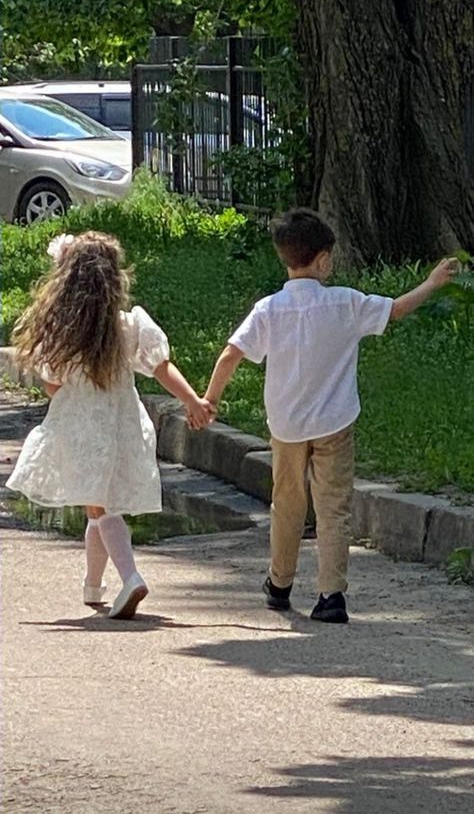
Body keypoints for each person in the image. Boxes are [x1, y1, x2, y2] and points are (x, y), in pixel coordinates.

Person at [204, 207, 458, 623]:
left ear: (285, 257)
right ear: (322, 261)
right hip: (335, 423)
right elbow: (395, 309)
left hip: (286, 426)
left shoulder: (268, 309)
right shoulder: (345, 302)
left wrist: (210, 399)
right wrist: (431, 282)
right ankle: (331, 595)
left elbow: (232, 353)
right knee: (333, 508)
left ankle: (280, 583)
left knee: (287, 504)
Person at [7, 231, 213, 619]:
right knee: (97, 508)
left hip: (83, 427)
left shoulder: (64, 332)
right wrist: (193, 401)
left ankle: (131, 576)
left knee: (101, 509)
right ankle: (92, 585)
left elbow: (52, 384)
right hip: (123, 425)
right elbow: (161, 367)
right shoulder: (129, 325)